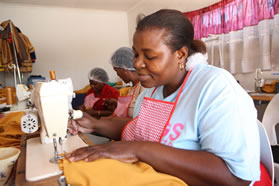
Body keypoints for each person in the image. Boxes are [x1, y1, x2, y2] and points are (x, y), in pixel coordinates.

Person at [67, 9, 261, 185]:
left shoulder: (214, 86)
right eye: (135, 55)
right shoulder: (153, 89)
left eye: (149, 57)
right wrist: (94, 124)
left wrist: (139, 149)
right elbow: (139, 127)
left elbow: (235, 178)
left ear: (180, 55)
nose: (137, 64)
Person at [110, 47, 145, 118]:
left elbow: (143, 118)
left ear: (124, 68)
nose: (118, 75)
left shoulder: (144, 87)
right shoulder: (132, 89)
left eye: (117, 71)